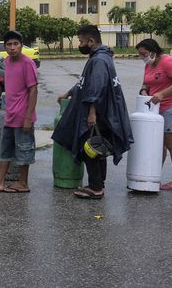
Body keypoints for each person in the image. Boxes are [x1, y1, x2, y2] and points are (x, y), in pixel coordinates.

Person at [53, 25, 133, 200]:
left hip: (98, 113)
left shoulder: (98, 60)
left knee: (90, 147)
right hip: (102, 112)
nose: (80, 44)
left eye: (81, 41)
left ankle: (96, 188)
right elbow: (86, 82)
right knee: (97, 146)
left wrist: (92, 113)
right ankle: (98, 184)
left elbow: (97, 88)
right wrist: (69, 92)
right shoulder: (102, 57)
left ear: (91, 41)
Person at [0, 30, 38, 193]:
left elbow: (33, 90)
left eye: (15, 44)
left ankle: (23, 183)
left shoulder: (28, 63)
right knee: (6, 150)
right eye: (9, 45)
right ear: (5, 47)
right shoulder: (7, 62)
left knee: (24, 150)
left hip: (23, 116)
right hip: (10, 115)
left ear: (21, 45)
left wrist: (29, 117)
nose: (12, 48)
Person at [137, 38, 172, 190]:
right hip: (155, 110)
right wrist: (144, 90)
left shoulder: (167, 61)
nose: (142, 57)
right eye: (140, 54)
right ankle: (153, 176)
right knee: (158, 146)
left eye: (144, 54)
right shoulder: (149, 64)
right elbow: (145, 82)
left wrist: (162, 94)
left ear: (153, 51)